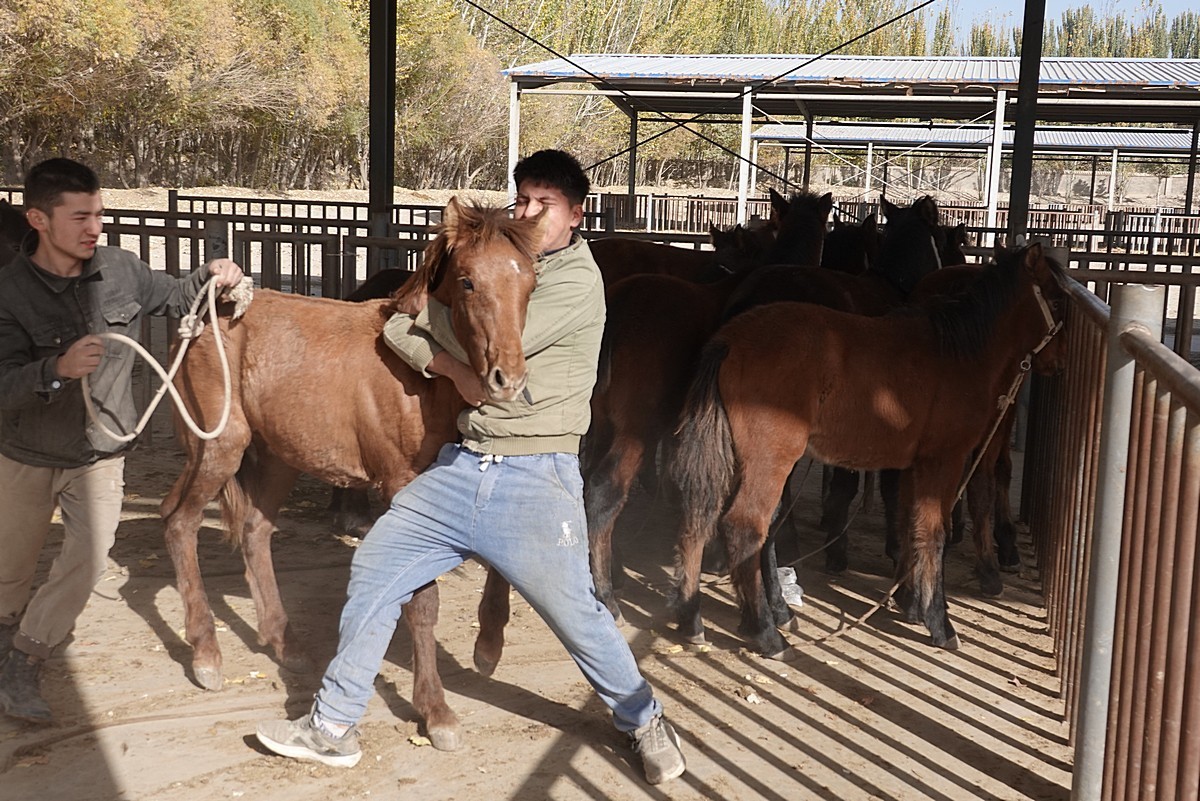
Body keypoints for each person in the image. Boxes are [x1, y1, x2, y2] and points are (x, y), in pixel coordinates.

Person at [256, 149, 687, 785]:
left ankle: (645, 720)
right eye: (523, 200)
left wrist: (435, 319)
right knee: (377, 566)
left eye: (547, 204)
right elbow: (404, 329)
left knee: (578, 614)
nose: (531, 213)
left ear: (576, 214)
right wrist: (453, 365)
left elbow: (487, 333)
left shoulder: (573, 281)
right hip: (461, 470)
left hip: (536, 477)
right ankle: (334, 724)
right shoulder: (499, 265)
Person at [0, 158, 244, 723]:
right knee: (10, 572)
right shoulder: (9, 293)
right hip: (26, 455)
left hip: (100, 452)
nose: (95, 227)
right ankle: (10, 635)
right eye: (80, 216)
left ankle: (25, 659)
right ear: (38, 218)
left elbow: (176, 297)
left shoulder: (121, 269)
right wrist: (55, 368)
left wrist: (212, 275)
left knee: (87, 563)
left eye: (100, 213)